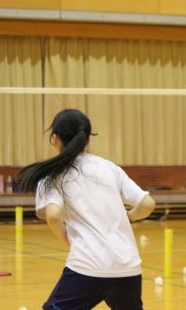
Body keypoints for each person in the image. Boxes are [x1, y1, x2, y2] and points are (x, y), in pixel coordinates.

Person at [17, 108, 156, 310]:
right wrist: (130, 217)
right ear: (87, 140)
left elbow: (54, 216)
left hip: (88, 267)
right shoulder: (109, 168)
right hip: (128, 267)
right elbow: (147, 204)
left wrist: (67, 239)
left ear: (54, 139)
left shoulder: (53, 175)